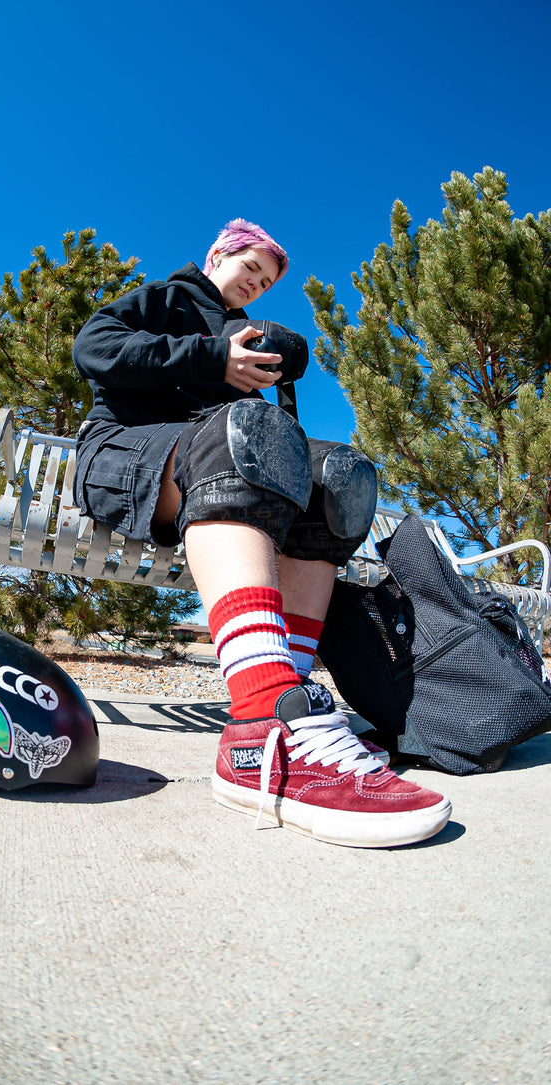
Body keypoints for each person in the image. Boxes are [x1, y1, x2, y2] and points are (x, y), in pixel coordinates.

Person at [72, 218, 451, 848]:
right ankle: (263, 712)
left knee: (338, 479)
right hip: (125, 456)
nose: (256, 282)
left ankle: (289, 710)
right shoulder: (165, 300)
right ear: (218, 253)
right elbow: (94, 348)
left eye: (267, 280)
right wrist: (212, 357)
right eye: (250, 267)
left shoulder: (243, 334)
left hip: (206, 467)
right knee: (242, 435)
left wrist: (256, 366)